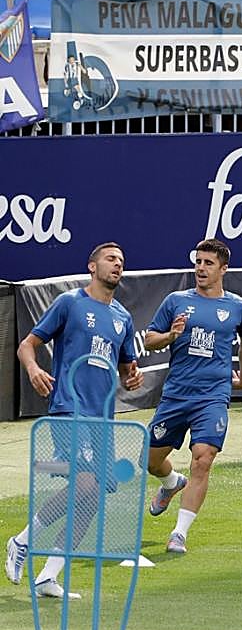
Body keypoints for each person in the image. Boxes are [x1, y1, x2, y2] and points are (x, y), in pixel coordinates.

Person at [5, 243, 143, 599]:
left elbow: (128, 367)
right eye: (111, 259)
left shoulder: (122, 318)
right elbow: (26, 345)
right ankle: (22, 541)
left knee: (93, 496)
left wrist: (132, 377)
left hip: (103, 420)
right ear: (92, 266)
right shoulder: (70, 303)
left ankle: (48, 575)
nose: (118, 265)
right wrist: (34, 369)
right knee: (84, 485)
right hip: (69, 408)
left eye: (122, 261)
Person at [142, 239, 242, 554]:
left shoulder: (239, 307)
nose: (201, 268)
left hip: (213, 396)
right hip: (177, 395)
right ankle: (170, 483)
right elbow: (150, 339)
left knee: (203, 459)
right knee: (150, 461)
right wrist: (170, 336)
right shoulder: (176, 301)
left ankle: (179, 533)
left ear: (223, 268)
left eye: (208, 263)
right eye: (198, 262)